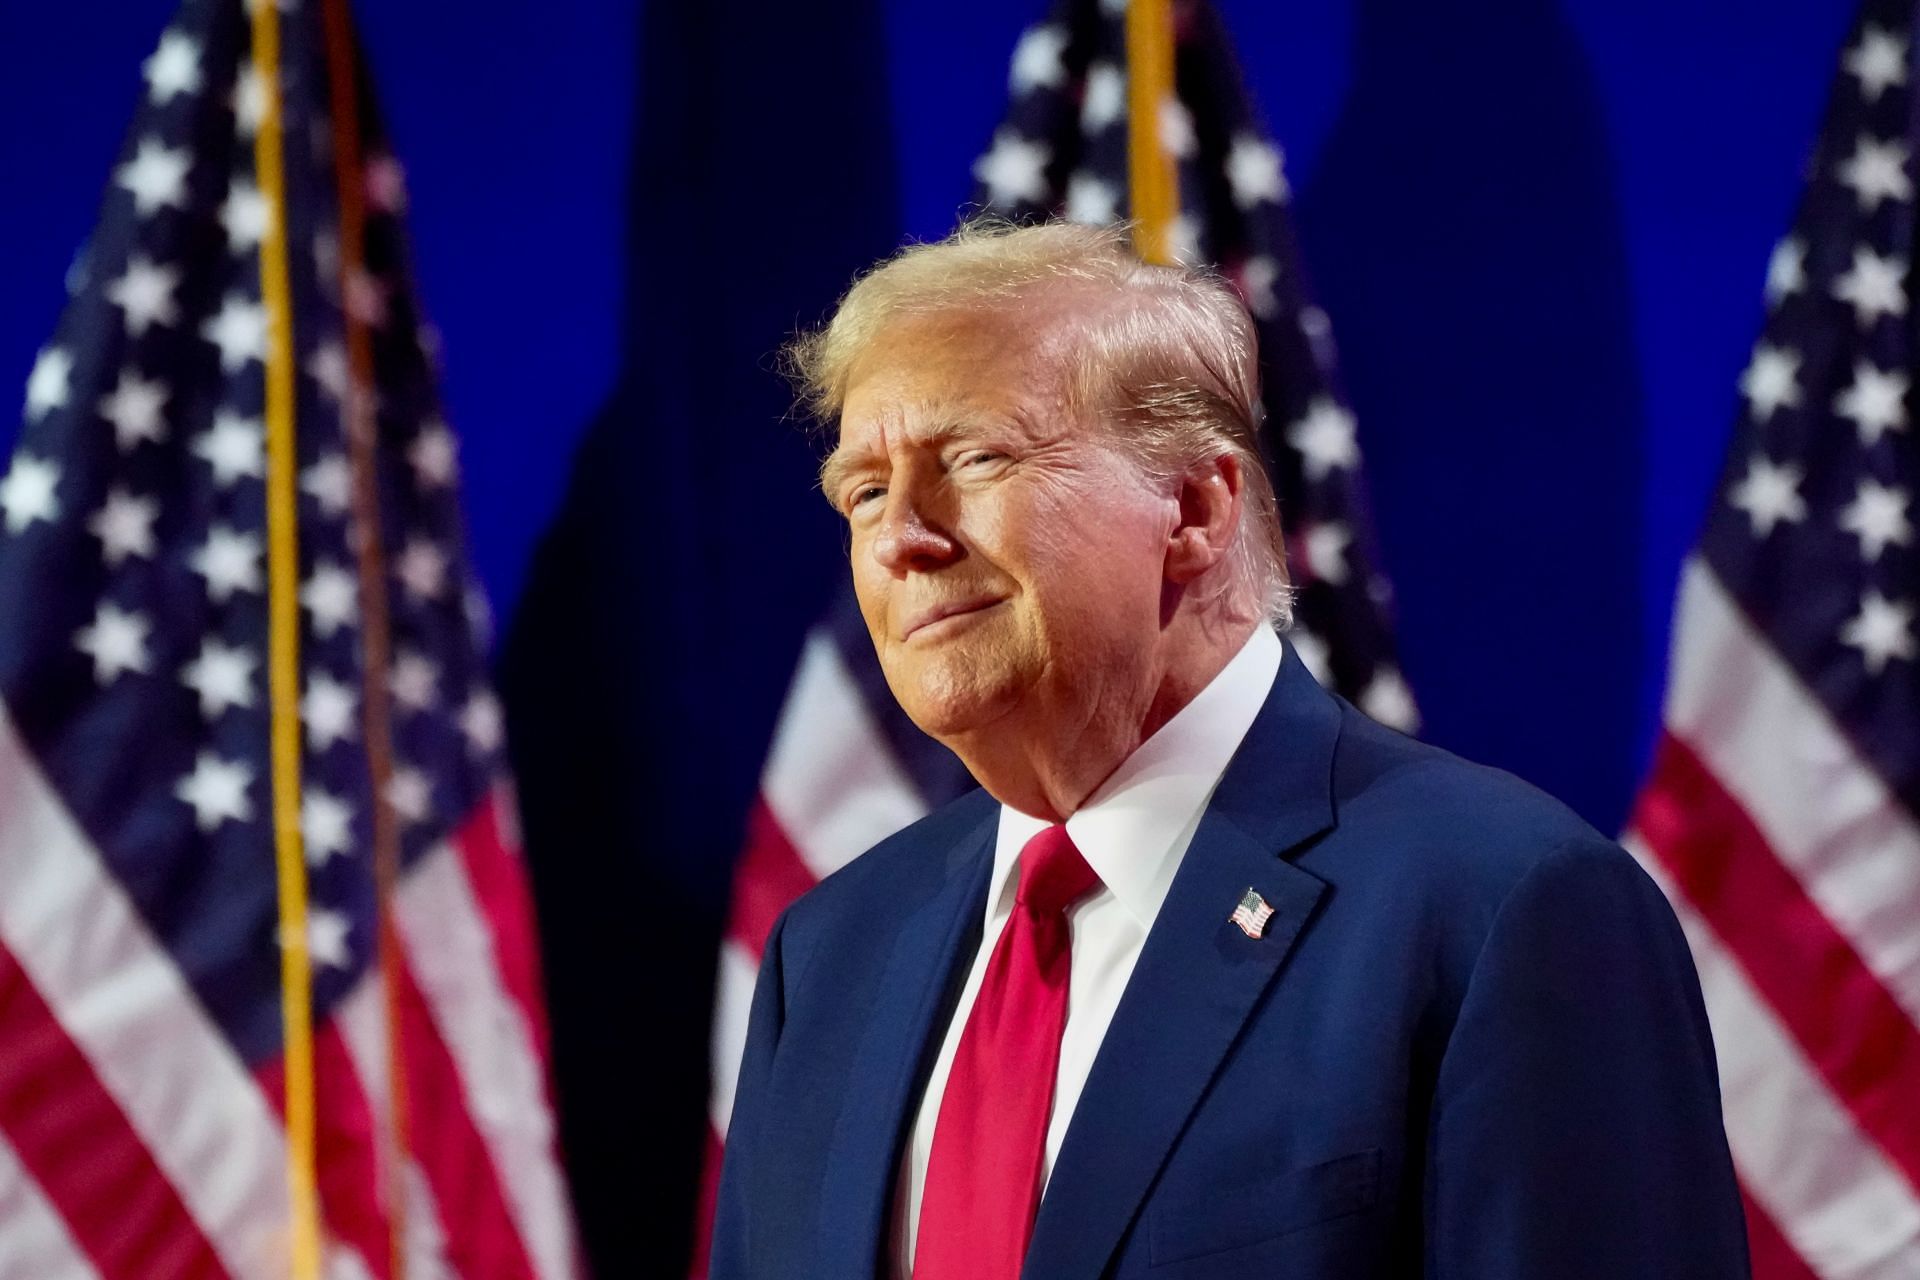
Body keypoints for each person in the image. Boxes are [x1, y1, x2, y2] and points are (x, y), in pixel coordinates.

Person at [708, 220, 1749, 1279]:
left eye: (975, 458)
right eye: (865, 491)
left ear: (1195, 509)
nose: (899, 538)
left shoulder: (1497, 905)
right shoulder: (832, 954)